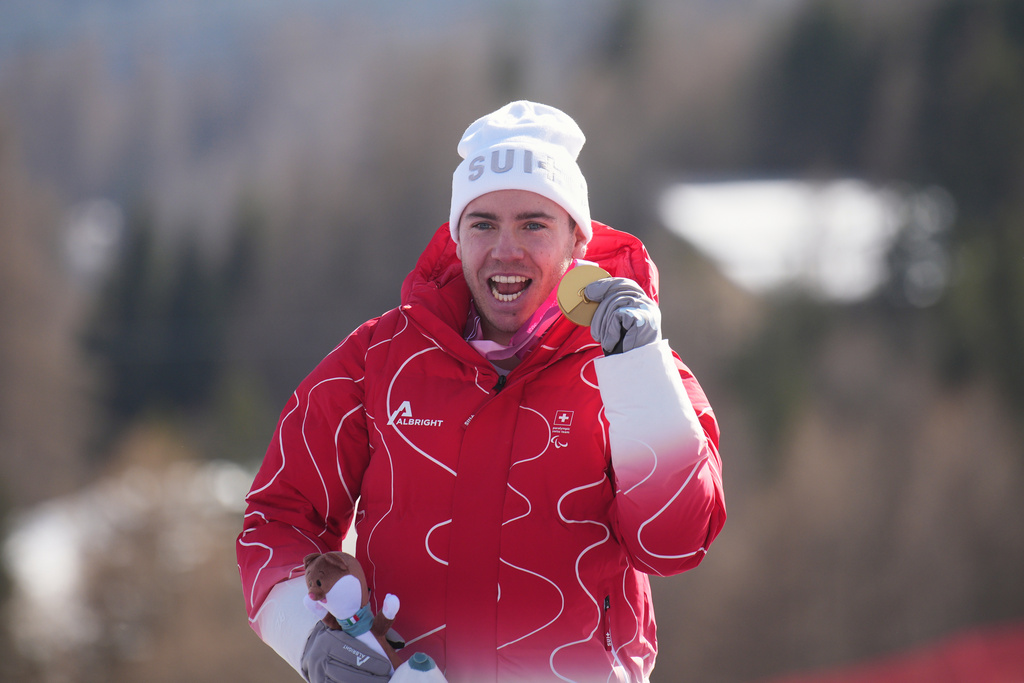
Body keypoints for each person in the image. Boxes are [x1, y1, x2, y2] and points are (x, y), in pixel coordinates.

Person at [237, 100, 726, 683]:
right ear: (457, 237)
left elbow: (674, 543)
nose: (506, 250)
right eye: (484, 223)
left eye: (534, 223)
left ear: (577, 240)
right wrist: (311, 635)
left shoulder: (636, 365)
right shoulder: (377, 360)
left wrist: (639, 371)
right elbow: (279, 517)